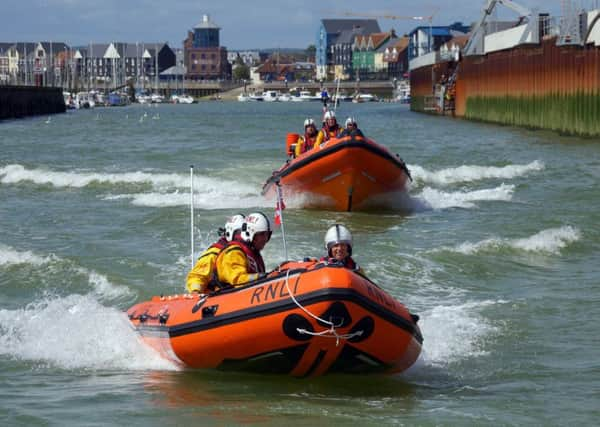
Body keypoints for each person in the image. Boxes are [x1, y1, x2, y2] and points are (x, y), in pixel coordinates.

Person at [186, 214, 245, 293]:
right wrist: (196, 292)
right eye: (240, 233)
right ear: (230, 233)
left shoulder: (245, 252)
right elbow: (197, 277)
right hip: (216, 297)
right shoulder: (214, 253)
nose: (243, 237)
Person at [215, 212, 272, 287]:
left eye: (267, 234)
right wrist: (262, 276)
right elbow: (238, 279)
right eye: (262, 234)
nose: (265, 239)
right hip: (228, 295)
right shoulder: (234, 252)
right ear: (250, 233)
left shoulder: (253, 252)